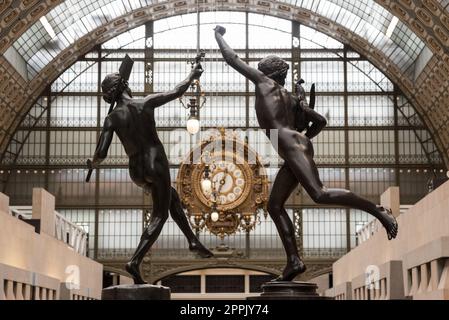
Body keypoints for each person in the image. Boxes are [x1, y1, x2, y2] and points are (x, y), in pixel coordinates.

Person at [214, 25, 398, 282]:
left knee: (319, 194)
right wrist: (302, 140)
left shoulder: (265, 83)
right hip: (292, 146)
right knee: (274, 205)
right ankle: (294, 262)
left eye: (260, 67)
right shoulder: (291, 98)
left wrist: (219, 35)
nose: (257, 70)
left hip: (290, 146)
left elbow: (231, 59)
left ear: (268, 72)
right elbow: (319, 121)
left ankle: (378, 211)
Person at [89, 63, 213, 284]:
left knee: (171, 196)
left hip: (135, 169)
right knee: (160, 214)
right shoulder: (143, 103)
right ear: (125, 85)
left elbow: (100, 153)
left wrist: (92, 162)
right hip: (155, 161)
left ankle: (192, 239)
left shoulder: (112, 118)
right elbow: (176, 91)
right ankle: (135, 262)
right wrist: (192, 74)